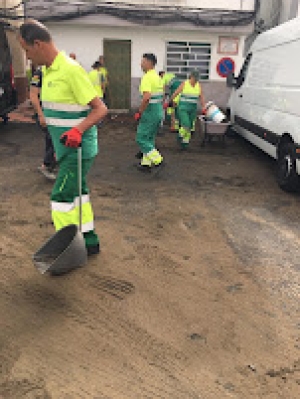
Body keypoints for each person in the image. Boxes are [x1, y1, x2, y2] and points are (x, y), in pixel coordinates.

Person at [19, 19, 108, 258]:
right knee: (79, 194)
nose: (27, 57)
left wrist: (78, 130)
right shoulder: (47, 72)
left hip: (79, 150)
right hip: (66, 150)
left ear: (37, 44)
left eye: (26, 50)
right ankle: (89, 241)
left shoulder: (70, 69)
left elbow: (100, 109)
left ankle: (66, 251)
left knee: (61, 196)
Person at [134, 53, 164, 174]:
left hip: (149, 111)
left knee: (141, 138)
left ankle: (158, 160)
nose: (141, 64)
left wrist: (139, 111)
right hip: (157, 111)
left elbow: (146, 97)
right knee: (149, 138)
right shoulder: (157, 77)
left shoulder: (147, 77)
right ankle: (146, 164)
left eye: (143, 61)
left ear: (149, 63)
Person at [30, 65, 57, 180]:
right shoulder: (39, 73)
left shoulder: (55, 72)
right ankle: (46, 165)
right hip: (44, 113)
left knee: (52, 139)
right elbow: (33, 94)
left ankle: (50, 163)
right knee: (52, 139)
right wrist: (41, 115)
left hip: (53, 113)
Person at [169, 70, 206, 149]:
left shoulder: (198, 85)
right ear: (191, 77)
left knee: (190, 125)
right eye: (195, 78)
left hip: (192, 108)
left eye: (197, 79)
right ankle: (180, 136)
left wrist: (203, 107)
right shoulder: (185, 84)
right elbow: (176, 93)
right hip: (183, 107)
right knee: (186, 124)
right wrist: (170, 100)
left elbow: (201, 96)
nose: (196, 80)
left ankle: (185, 143)